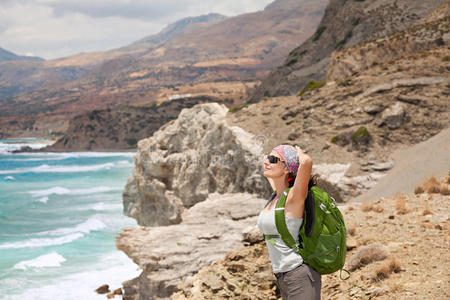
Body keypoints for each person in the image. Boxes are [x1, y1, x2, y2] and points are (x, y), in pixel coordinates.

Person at [257, 144, 321, 300]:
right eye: (267, 157)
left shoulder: (294, 198)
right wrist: (269, 158)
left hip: (299, 275)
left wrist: (299, 154)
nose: (267, 162)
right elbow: (268, 170)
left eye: (273, 159)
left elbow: (307, 163)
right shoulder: (276, 197)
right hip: (283, 279)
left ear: (287, 168)